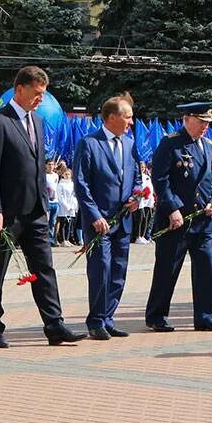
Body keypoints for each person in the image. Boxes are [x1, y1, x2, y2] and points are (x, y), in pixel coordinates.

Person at [0, 66, 84, 349]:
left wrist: (44, 204)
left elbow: (37, 166)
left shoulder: (37, 121)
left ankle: (54, 324)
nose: (40, 99)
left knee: (45, 269)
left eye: (43, 95)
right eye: (36, 94)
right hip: (7, 213)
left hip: (36, 211)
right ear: (20, 89)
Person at [145, 102, 212, 333]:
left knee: (205, 269)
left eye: (208, 123)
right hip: (176, 220)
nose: (205, 127)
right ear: (187, 119)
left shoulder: (209, 146)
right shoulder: (171, 143)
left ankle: (206, 317)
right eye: (201, 122)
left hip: (203, 220)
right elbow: (160, 179)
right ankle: (157, 316)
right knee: (167, 269)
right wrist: (172, 208)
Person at [74, 95, 140, 340]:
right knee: (101, 269)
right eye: (128, 117)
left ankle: (109, 318)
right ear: (112, 117)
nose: (131, 122)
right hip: (99, 223)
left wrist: (136, 197)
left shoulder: (130, 143)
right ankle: (96, 321)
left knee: (119, 271)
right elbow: (81, 184)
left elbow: (136, 177)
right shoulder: (89, 143)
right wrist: (94, 215)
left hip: (123, 220)